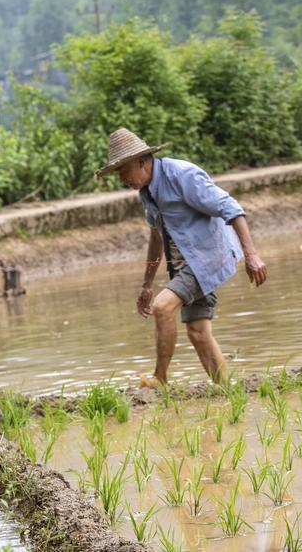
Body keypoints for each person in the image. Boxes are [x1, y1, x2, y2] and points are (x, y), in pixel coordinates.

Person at [96, 128, 267, 388]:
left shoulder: (182, 175)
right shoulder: (146, 192)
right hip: (183, 264)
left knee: (163, 308)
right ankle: (228, 393)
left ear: (142, 162)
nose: (121, 179)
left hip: (208, 258)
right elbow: (156, 239)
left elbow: (231, 208)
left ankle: (160, 379)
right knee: (198, 332)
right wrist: (146, 284)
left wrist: (251, 255)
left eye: (123, 171)